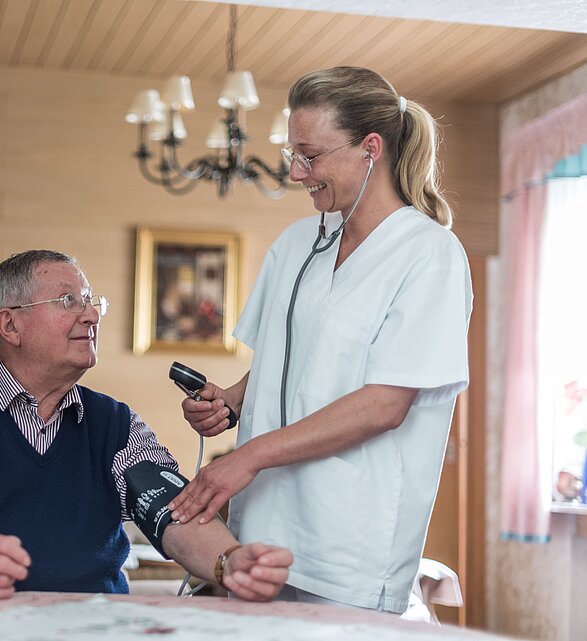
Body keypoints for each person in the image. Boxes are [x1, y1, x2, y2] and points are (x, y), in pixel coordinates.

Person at [167, 67, 473, 614]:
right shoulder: (295, 243)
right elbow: (293, 362)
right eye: (291, 154)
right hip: (262, 534)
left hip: (351, 544)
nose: (294, 173)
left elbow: (385, 404)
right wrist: (232, 401)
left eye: (309, 155)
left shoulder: (429, 254)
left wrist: (251, 456)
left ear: (370, 149)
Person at [0, 249, 292, 600]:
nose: (91, 315)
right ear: (10, 324)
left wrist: (229, 561)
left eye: (91, 302)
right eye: (69, 302)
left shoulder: (117, 425)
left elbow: (173, 512)